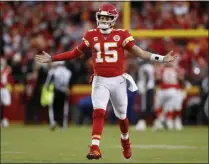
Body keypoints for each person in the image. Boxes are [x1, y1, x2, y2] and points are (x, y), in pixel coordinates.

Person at [35, 3, 176, 160]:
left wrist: (161, 58)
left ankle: (125, 140)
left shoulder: (121, 35)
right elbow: (75, 53)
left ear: (113, 19)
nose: (103, 20)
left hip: (118, 81)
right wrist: (52, 58)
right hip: (100, 80)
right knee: (99, 111)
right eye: (101, 17)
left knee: (122, 116)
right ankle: (95, 147)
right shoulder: (91, 35)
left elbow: (140, 53)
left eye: (106, 17)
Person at [153, 57, 186, 131]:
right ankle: (164, 120)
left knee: (174, 107)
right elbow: (157, 80)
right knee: (162, 106)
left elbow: (181, 80)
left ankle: (173, 120)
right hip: (165, 90)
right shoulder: (163, 69)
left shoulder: (176, 69)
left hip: (172, 90)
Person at [43, 61, 72, 130]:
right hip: (64, 91)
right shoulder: (68, 72)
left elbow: (47, 84)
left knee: (52, 108)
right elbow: (69, 84)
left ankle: (52, 123)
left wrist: (48, 89)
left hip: (55, 91)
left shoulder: (53, 71)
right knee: (64, 108)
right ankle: (64, 125)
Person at [135, 59, 156, 131]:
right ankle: (153, 123)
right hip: (150, 87)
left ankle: (142, 123)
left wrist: (144, 86)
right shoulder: (151, 66)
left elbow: (146, 76)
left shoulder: (145, 67)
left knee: (143, 106)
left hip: (146, 88)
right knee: (149, 106)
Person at [0, 57, 13, 127]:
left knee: (6, 104)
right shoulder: (6, 70)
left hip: (5, 89)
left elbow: (10, 79)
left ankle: (5, 119)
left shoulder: (7, 70)